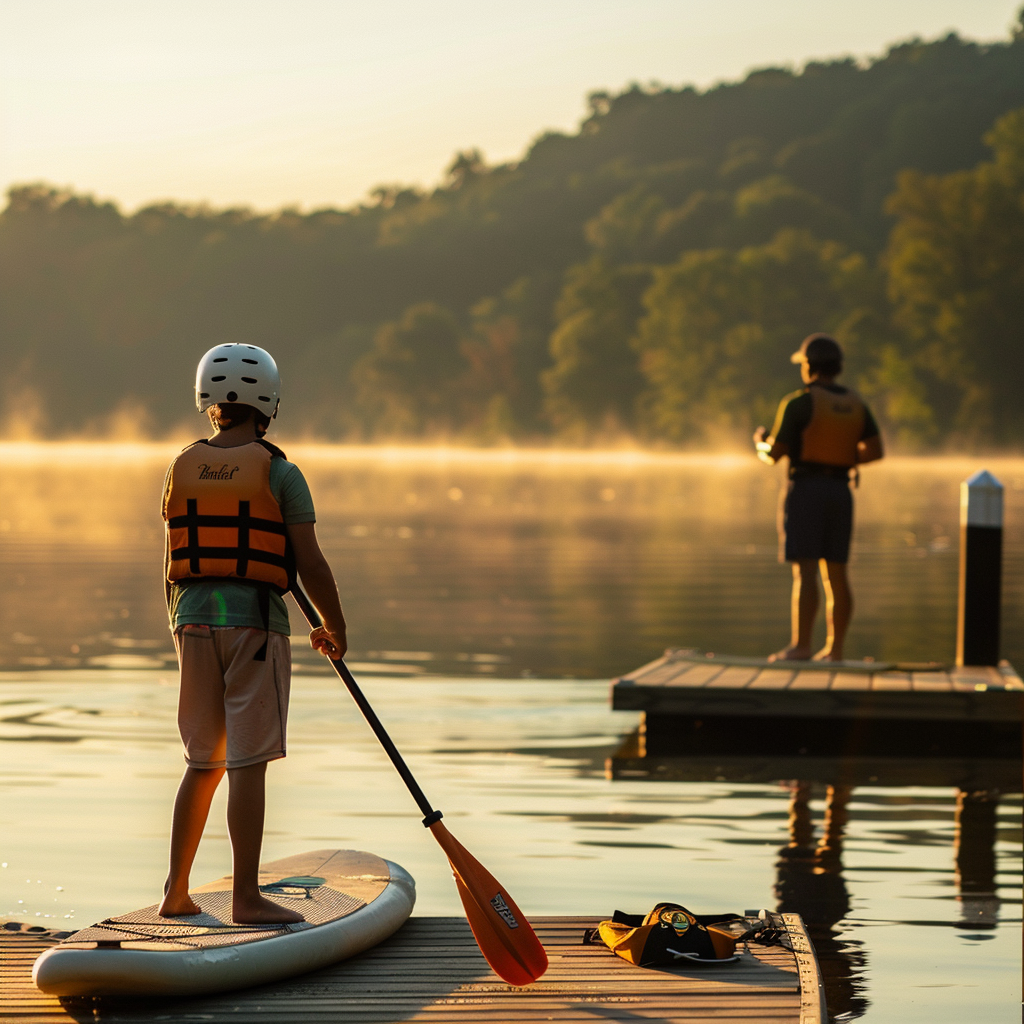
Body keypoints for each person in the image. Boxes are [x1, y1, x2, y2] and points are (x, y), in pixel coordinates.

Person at [157, 344, 347, 924]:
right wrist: (334, 625)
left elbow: (171, 558)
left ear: (207, 402)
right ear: (268, 402)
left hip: (191, 620)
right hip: (256, 626)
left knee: (201, 761)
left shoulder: (180, 467)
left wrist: (180, 629)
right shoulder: (281, 472)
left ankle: (176, 891)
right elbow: (309, 563)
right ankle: (244, 899)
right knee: (247, 761)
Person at [753, 334, 883, 662]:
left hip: (807, 491)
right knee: (837, 572)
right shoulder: (856, 403)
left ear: (808, 366)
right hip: (841, 492)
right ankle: (835, 650)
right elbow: (875, 451)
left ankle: (800, 647)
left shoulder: (798, 403)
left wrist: (761, 442)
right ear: (837, 367)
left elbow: (775, 454)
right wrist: (843, 457)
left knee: (806, 570)